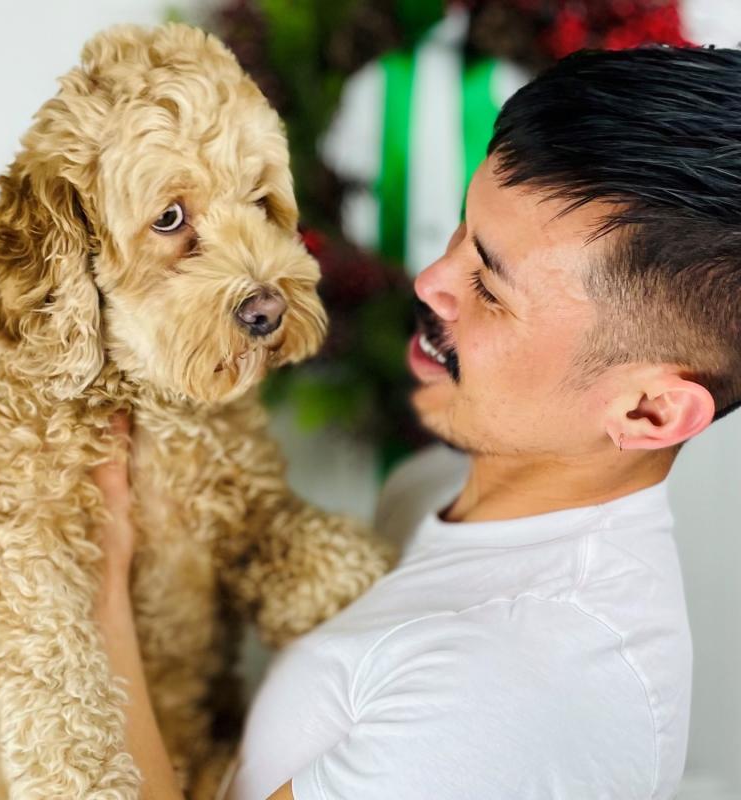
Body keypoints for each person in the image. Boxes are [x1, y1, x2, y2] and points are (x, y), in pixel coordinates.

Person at [93, 45, 741, 800]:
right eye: (463, 227)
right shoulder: (436, 479)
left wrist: (96, 583)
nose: (432, 281)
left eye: (491, 290)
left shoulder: (516, 696)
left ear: (650, 410)